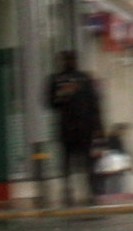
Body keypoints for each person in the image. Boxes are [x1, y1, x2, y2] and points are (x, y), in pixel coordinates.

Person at [44, 50, 103, 207]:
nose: (69, 62)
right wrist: (62, 94)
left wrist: (97, 127)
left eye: (70, 59)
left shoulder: (83, 79)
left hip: (81, 127)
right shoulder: (58, 80)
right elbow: (51, 102)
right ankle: (70, 190)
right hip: (71, 127)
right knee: (68, 162)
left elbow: (94, 104)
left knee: (84, 162)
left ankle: (88, 191)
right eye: (66, 59)